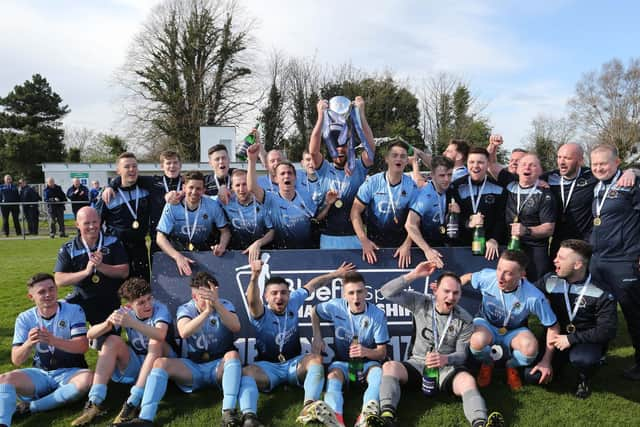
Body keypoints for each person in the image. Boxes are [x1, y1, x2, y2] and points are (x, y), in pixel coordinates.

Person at [375, 262, 503, 427]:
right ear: (435, 290)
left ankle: (480, 422)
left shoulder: (465, 319)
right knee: (390, 367)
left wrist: (445, 359)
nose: (451, 297)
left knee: (468, 381)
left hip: (445, 369)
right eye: (446, 291)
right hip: (418, 363)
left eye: (456, 293)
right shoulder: (420, 302)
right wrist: (413, 275)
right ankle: (387, 416)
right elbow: (386, 292)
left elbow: (462, 354)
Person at [114, 272, 243, 427]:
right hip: (193, 367)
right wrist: (207, 312)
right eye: (205, 296)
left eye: (212, 294)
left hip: (219, 366)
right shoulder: (186, 308)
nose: (210, 299)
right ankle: (145, 418)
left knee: (233, 355)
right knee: (161, 363)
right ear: (195, 297)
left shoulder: (225, 305)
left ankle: (228, 413)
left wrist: (217, 304)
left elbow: (236, 326)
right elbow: (184, 332)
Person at [238, 260, 355, 426]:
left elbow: (313, 285)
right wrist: (255, 277)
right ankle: (249, 417)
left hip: (294, 364)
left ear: (288, 294)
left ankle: (309, 406)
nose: (279, 297)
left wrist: (336, 274)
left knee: (316, 359)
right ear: (266, 297)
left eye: (283, 293)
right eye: (274, 293)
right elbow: (252, 302)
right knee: (246, 373)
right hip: (268, 367)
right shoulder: (260, 314)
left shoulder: (293, 301)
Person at [71, 278, 177, 426]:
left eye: (149, 299)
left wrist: (133, 323)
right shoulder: (125, 312)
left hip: (163, 362)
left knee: (156, 341)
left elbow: (160, 335)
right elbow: (90, 335)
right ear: (129, 305)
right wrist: (108, 323)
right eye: (141, 303)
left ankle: (133, 401)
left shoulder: (160, 308)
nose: (148, 305)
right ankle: (94, 401)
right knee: (112, 341)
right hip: (139, 362)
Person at [0, 273, 92, 426]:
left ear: (56, 289)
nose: (48, 294)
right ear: (31, 297)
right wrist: (29, 343)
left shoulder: (74, 310)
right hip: (41, 373)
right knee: (4, 379)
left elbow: (82, 346)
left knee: (88, 379)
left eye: (51, 289)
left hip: (71, 372)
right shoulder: (24, 318)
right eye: (41, 292)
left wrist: (53, 340)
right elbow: (16, 360)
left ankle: (31, 407)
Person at [461, 250, 559, 391]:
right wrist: (451, 286)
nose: (500, 276)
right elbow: (469, 277)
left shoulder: (534, 297)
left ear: (521, 274)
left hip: (514, 330)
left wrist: (546, 361)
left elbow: (554, 326)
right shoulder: (487, 277)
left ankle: (511, 366)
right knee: (477, 341)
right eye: (499, 268)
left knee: (530, 349)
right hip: (486, 323)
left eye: (508, 273)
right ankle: (488, 363)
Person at [531, 239, 616, 398]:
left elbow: (608, 330)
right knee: (532, 376)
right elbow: (527, 293)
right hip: (555, 338)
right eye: (556, 256)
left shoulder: (601, 291)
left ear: (577, 265)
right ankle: (558, 367)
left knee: (584, 360)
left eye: (561, 258)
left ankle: (584, 377)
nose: (555, 260)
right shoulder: (550, 280)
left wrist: (571, 338)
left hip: (584, 341)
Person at [588, 144, 640, 380]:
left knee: (634, 314)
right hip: (598, 260)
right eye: (594, 164)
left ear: (617, 162)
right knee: (599, 311)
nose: (598, 168)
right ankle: (597, 354)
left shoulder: (631, 184)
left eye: (603, 163)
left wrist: (635, 170)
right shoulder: (598, 185)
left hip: (624, 260)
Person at [310, 270, 389, 427]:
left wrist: (365, 351)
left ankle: (367, 415)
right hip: (342, 364)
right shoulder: (335, 306)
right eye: (351, 293)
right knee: (333, 376)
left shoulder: (377, 315)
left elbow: (382, 353)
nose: (356, 297)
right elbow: (314, 311)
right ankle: (335, 417)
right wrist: (317, 336)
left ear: (366, 292)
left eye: (360, 292)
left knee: (378, 373)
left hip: (367, 364)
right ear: (344, 295)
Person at [541, 142, 636, 258]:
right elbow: (524, 179)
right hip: (558, 244)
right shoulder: (549, 177)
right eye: (559, 157)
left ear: (580, 161)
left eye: (567, 158)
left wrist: (632, 172)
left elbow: (612, 171)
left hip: (585, 244)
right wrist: (536, 181)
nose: (561, 162)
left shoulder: (593, 176)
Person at [309, 97, 375, 249]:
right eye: (335, 144)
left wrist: (361, 115)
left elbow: (370, 148)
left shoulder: (358, 167)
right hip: (328, 237)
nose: (339, 149)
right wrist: (320, 117)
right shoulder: (324, 168)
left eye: (343, 144)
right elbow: (313, 151)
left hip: (355, 237)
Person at [54, 207, 130, 326]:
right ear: (77, 224)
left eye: (94, 222)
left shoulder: (113, 242)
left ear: (100, 221)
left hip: (107, 299)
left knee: (108, 343)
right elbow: (59, 280)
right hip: (81, 297)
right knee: (56, 312)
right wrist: (85, 272)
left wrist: (101, 267)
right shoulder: (69, 248)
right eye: (87, 223)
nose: (91, 226)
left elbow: (124, 271)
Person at [104, 150, 184, 257]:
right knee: (159, 273)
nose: (172, 166)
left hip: (183, 237)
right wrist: (111, 186)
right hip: (159, 239)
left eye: (175, 163)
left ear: (180, 165)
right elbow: (127, 177)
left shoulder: (188, 183)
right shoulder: (153, 182)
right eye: (168, 163)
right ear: (161, 166)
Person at [351, 141, 418, 267]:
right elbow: (355, 212)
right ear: (387, 159)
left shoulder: (412, 186)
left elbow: (416, 219)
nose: (399, 159)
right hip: (374, 247)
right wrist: (364, 240)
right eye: (395, 155)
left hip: (401, 249)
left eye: (403, 156)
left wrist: (407, 244)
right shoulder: (372, 183)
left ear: (406, 161)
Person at [247, 142, 325, 249]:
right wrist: (252, 160)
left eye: (289, 173)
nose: (286, 176)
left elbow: (317, 217)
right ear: (276, 179)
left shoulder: (305, 196)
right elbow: (252, 187)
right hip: (281, 253)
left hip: (306, 252)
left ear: (295, 177)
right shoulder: (271, 199)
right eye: (282, 174)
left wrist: (328, 203)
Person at [155, 171, 230, 276]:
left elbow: (225, 231)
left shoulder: (212, 206)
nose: (194, 192)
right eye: (191, 187)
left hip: (205, 253)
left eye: (198, 188)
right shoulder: (172, 206)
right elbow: (160, 237)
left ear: (204, 190)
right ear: (184, 188)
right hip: (177, 254)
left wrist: (222, 245)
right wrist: (177, 256)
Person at [95, 152, 152, 281]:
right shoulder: (108, 195)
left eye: (134, 166)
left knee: (142, 288)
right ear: (118, 170)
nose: (131, 170)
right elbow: (96, 222)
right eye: (127, 167)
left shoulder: (146, 189)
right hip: (117, 249)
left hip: (140, 248)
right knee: (118, 290)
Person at [504, 154, 556, 281]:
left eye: (533, 165)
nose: (527, 167)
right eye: (523, 164)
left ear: (540, 171)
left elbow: (549, 229)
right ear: (517, 169)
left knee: (536, 288)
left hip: (535, 249)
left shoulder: (545, 194)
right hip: (509, 247)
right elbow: (491, 165)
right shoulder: (507, 186)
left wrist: (527, 230)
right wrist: (493, 146)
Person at [450, 147, 506, 260]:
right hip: (462, 246)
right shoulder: (456, 187)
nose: (475, 166)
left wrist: (494, 239)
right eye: (471, 162)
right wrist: (468, 223)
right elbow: (452, 216)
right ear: (467, 163)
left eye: (480, 162)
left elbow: (502, 218)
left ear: (487, 164)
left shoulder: (499, 188)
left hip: (489, 248)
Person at [405, 156, 458, 268]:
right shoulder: (426, 195)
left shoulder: (451, 189)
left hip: (445, 245)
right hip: (426, 250)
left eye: (449, 175)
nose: (446, 179)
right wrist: (427, 250)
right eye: (442, 176)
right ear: (432, 175)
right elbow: (410, 224)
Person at [223, 169, 275, 261]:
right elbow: (204, 199)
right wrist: (221, 188)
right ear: (232, 188)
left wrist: (258, 243)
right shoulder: (225, 202)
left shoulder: (262, 201)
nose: (241, 189)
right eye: (237, 185)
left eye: (245, 184)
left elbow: (272, 231)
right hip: (235, 254)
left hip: (261, 251)